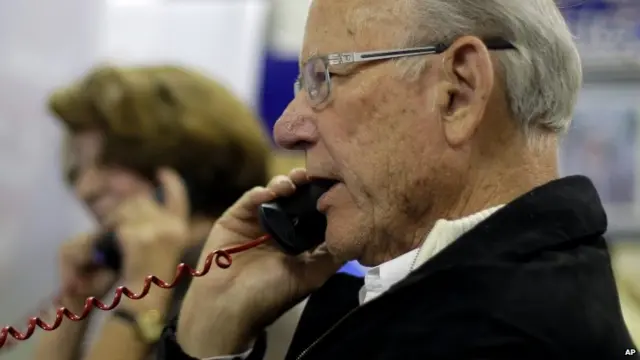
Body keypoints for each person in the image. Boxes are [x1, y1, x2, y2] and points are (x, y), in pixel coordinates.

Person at [156, 0, 636, 359]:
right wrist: (213, 330)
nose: (286, 128)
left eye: (323, 78)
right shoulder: (453, 302)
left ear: (457, 93)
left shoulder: (493, 339)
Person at [32, 64, 298, 360]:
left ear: (188, 169)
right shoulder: (161, 289)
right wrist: (72, 304)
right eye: (77, 169)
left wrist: (140, 295)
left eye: (109, 162)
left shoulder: (249, 296)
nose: (85, 188)